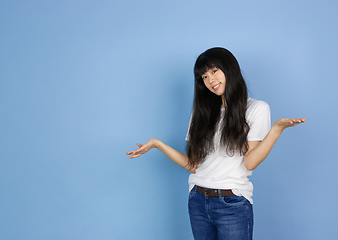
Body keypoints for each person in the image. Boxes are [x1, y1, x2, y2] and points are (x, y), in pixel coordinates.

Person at [125, 47, 305, 240]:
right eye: (203, 77)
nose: (210, 80)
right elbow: (193, 165)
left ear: (229, 69)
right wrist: (157, 144)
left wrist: (276, 129)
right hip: (197, 200)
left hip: (232, 202)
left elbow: (250, 162)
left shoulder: (256, 108)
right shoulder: (201, 113)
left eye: (213, 71)